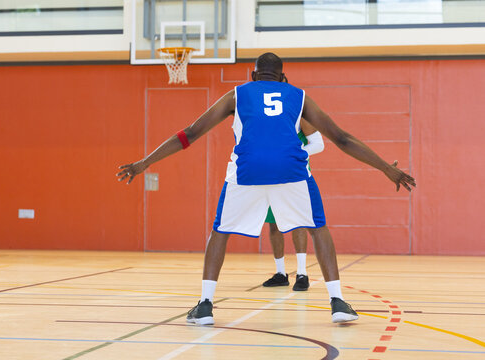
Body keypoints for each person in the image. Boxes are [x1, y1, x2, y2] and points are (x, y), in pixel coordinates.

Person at [117, 52, 415, 325]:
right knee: (318, 228)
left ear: (253, 74)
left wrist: (145, 162)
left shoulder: (236, 95)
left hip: (247, 171)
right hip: (291, 171)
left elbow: (191, 133)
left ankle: (205, 305)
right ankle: (337, 301)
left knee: (220, 231)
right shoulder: (299, 96)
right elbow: (342, 138)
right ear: (283, 77)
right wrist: (387, 169)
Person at [262, 121, 324, 291]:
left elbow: (319, 145)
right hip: (271, 176)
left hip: (296, 176)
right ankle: (281, 273)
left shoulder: (301, 117)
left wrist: (292, 153)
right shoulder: (268, 120)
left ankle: (302, 273)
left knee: (298, 223)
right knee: (274, 225)